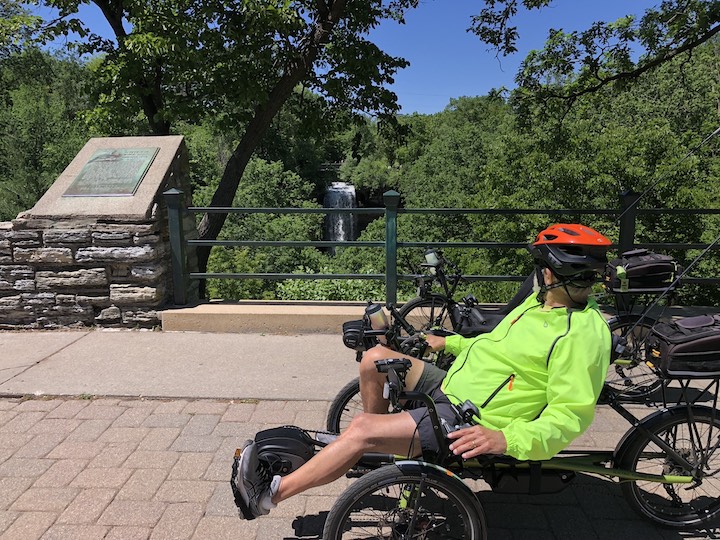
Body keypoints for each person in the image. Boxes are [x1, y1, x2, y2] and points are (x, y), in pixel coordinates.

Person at [233, 223, 613, 520]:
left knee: (362, 429)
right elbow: (497, 346)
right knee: (374, 359)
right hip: (456, 384)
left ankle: (267, 496)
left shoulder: (583, 334)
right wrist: (452, 344)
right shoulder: (539, 304)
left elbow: (570, 417)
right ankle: (372, 446)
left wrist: (506, 438)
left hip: (473, 416)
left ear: (547, 274)